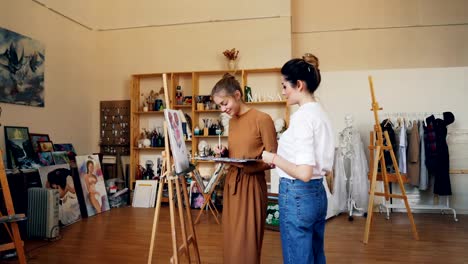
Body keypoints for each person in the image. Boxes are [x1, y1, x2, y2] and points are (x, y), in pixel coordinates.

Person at [262, 55, 334, 264]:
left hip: (298, 195)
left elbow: (304, 172)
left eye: (285, 86)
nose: (283, 92)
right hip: (317, 195)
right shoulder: (321, 113)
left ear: (299, 85)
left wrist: (273, 157)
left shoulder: (302, 117)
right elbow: (323, 167)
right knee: (315, 255)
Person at [211, 73, 277, 264]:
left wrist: (246, 165)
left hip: (252, 186)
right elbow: (236, 152)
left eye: (225, 103)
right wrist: (224, 153)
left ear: (237, 95)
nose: (223, 109)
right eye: (220, 106)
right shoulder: (231, 121)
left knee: (247, 241)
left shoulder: (262, 119)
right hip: (232, 186)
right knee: (231, 239)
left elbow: (273, 160)